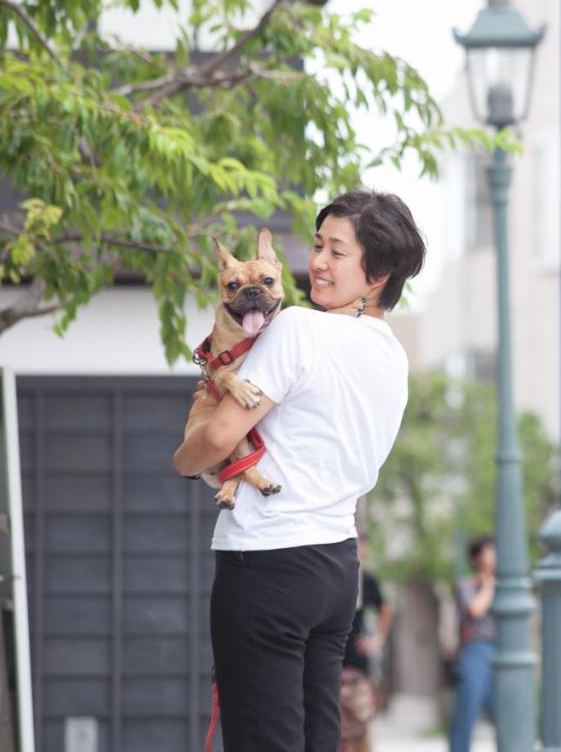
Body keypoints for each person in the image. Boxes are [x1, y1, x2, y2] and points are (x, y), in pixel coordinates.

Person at [173, 189, 424, 752]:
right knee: (317, 739)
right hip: (336, 568)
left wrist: (183, 460)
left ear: (378, 271)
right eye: (316, 245)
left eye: (337, 251)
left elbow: (216, 438)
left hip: (267, 563)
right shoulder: (392, 355)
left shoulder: (297, 330)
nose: (317, 262)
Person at [341, 537, 395, 752]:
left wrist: (377, 639)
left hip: (355, 656)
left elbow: (387, 607)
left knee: (360, 715)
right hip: (327, 655)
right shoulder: (333, 574)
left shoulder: (366, 579)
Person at [449, 536, 497, 752]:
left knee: (505, 714)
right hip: (475, 651)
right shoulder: (466, 585)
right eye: (490, 551)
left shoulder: (507, 583)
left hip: (500, 652)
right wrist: (488, 584)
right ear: (477, 558)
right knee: (466, 714)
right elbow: (475, 610)